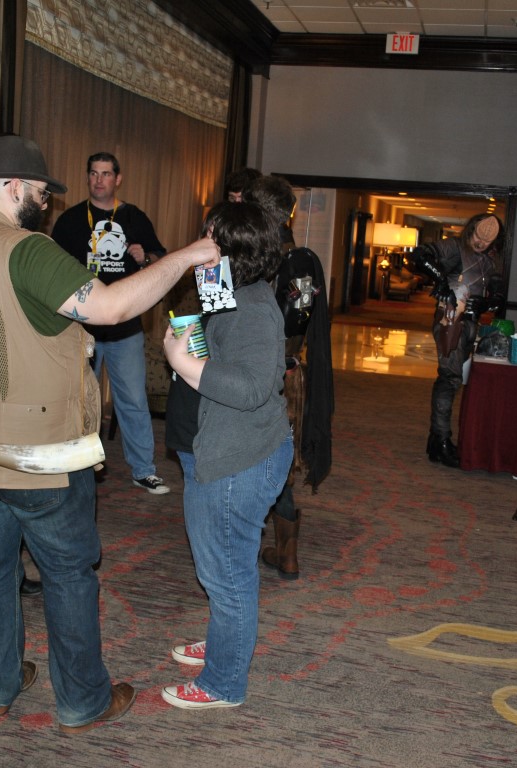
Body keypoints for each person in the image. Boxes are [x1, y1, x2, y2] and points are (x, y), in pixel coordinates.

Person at [0, 134, 218, 730]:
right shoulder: (27, 250)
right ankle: (82, 700)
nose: (46, 202)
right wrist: (183, 257)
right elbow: (111, 308)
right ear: (14, 187)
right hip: (39, 455)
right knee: (68, 573)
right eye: (39, 191)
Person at [161, 201, 293, 709]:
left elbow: (252, 388)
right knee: (223, 567)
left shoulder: (254, 307)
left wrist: (182, 363)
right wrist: (192, 339)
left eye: (209, 239)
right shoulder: (230, 285)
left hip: (239, 458)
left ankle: (222, 682)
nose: (199, 245)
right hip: (224, 446)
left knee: (228, 575)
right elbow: (219, 340)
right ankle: (226, 639)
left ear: (231, 249)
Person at [51, 152, 171, 494]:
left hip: (124, 329)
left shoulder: (134, 217)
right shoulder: (71, 220)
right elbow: (52, 269)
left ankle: (144, 470)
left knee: (132, 400)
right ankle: (77, 468)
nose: (99, 180)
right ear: (87, 177)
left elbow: (161, 262)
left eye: (105, 174)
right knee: (78, 402)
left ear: (117, 179)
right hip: (80, 328)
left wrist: (145, 257)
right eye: (93, 173)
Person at [242, 175, 333, 579]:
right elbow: (298, 318)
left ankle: (253, 545)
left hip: (252, 373)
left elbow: (216, 315)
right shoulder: (300, 262)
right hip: (284, 373)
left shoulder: (243, 256)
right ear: (288, 213)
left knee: (254, 458)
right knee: (278, 462)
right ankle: (287, 553)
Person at [413, 213, 506, 467]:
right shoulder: (455, 247)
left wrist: (487, 302)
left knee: (453, 380)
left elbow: (497, 291)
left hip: (471, 324)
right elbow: (420, 255)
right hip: (450, 320)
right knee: (449, 378)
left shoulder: (492, 258)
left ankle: (437, 440)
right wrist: (441, 280)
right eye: (477, 237)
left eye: (487, 241)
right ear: (471, 229)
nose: (480, 243)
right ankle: (441, 441)